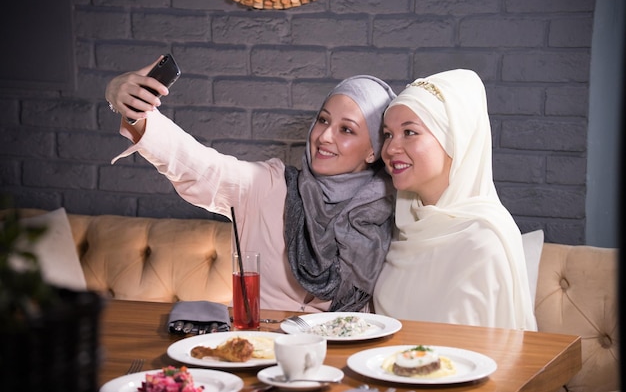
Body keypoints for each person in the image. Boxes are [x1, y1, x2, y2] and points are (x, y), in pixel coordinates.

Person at [106, 57, 396, 312]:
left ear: (374, 149)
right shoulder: (267, 186)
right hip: (256, 354)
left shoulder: (391, 215)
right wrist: (129, 104)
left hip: (343, 362)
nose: (324, 137)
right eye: (322, 120)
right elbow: (196, 164)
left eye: (346, 129)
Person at [373, 69, 537, 330]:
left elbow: (490, 353)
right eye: (388, 134)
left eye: (410, 132)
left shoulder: (484, 240)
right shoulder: (404, 225)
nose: (390, 149)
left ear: (455, 141)